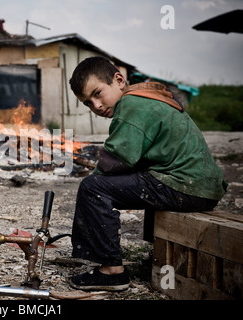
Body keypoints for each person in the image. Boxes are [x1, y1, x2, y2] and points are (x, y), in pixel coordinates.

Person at [68, 56, 227, 291]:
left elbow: (114, 161)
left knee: (92, 188)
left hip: (186, 185)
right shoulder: (146, 96)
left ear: (119, 80)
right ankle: (155, 249)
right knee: (146, 174)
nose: (97, 106)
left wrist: (95, 184)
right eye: (88, 103)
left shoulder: (131, 105)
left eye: (98, 93)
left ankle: (112, 272)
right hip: (201, 186)